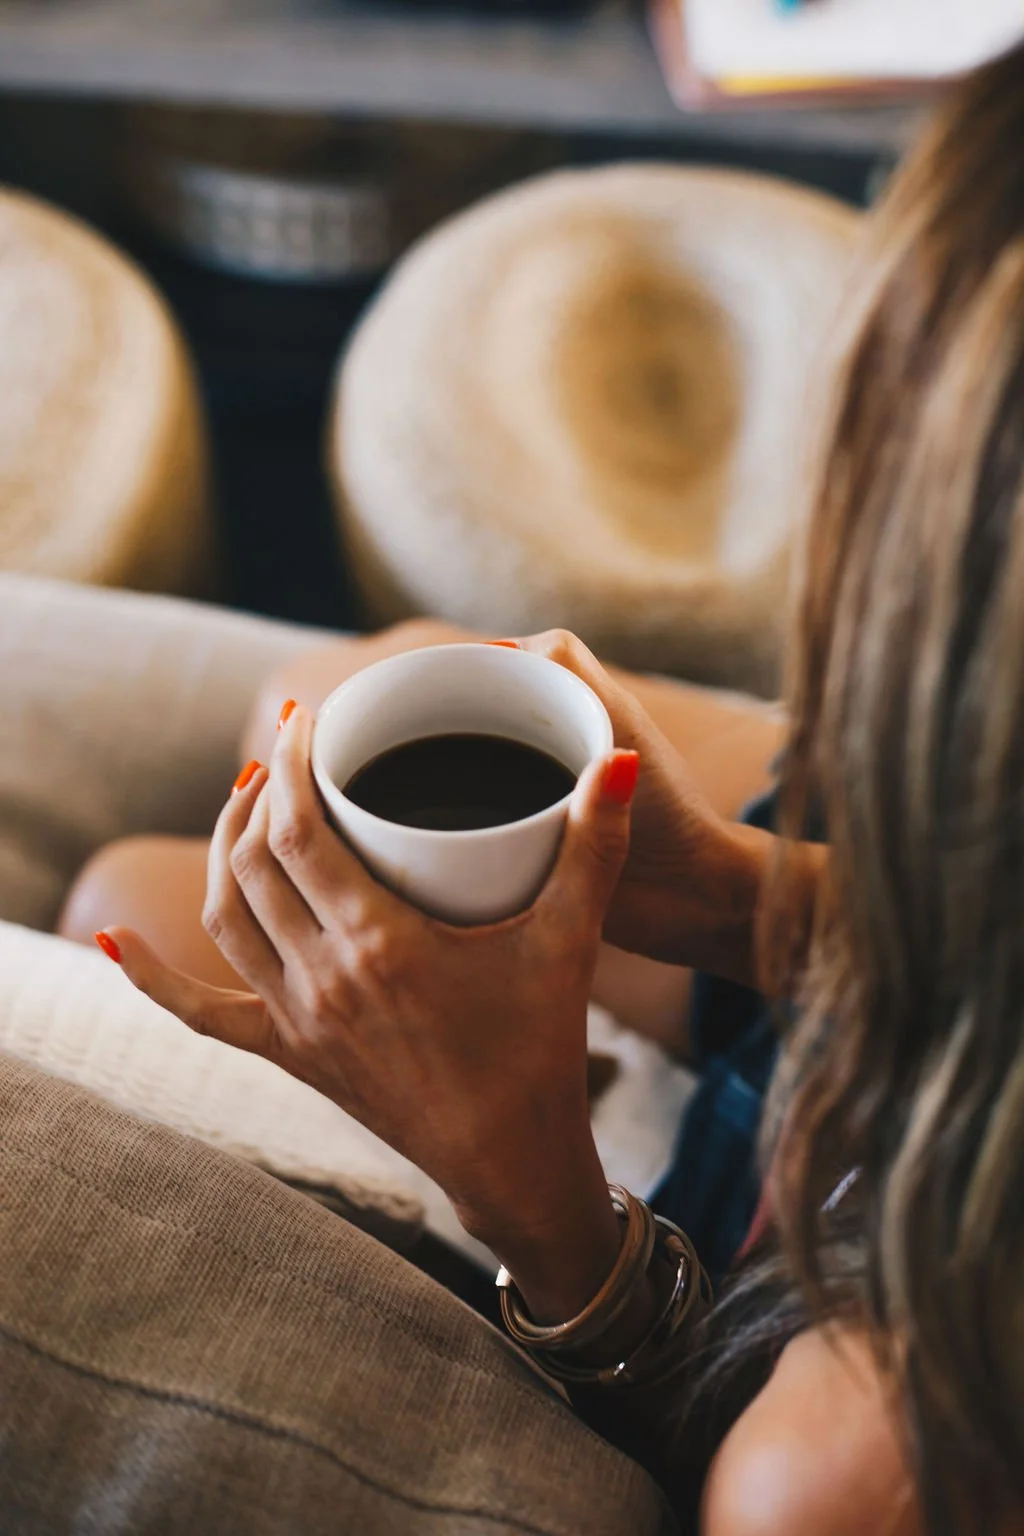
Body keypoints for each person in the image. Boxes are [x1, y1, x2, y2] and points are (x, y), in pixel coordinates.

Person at [63, 42, 1024, 1536]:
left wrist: (543, 1210)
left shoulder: (857, 1468)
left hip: (766, 1274)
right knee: (328, 708)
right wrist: (742, 902)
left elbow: (730, 1466)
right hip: (929, 990)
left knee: (128, 917)